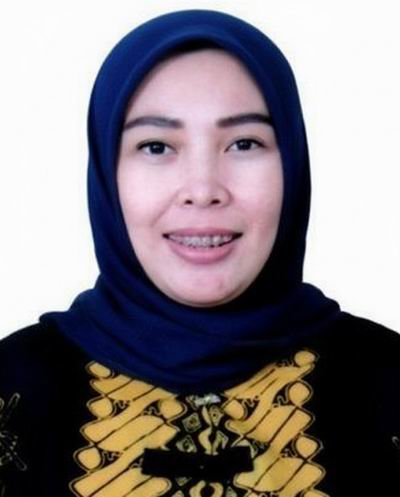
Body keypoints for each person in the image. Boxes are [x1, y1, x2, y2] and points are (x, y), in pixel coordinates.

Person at [0, 9, 399, 497]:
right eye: (156, 147)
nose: (203, 189)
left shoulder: (388, 384)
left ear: (293, 164)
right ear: (107, 173)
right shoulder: (14, 385)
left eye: (244, 143)